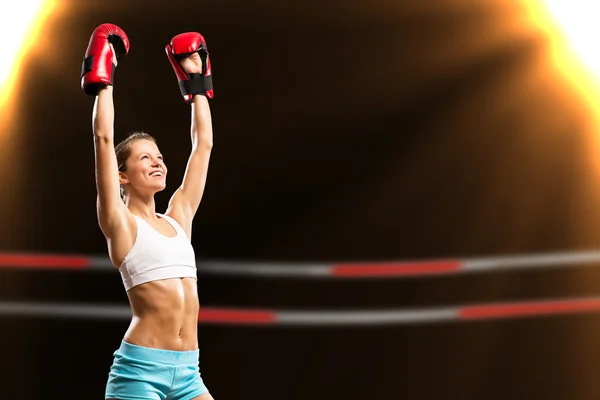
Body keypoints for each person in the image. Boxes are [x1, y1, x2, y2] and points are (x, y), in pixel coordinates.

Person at [80, 23, 215, 400]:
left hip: (190, 374)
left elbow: (202, 144)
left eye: (159, 157)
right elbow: (103, 139)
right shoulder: (120, 224)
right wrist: (102, 78)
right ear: (121, 175)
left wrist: (196, 84)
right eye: (144, 158)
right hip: (140, 373)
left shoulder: (179, 217)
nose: (157, 163)